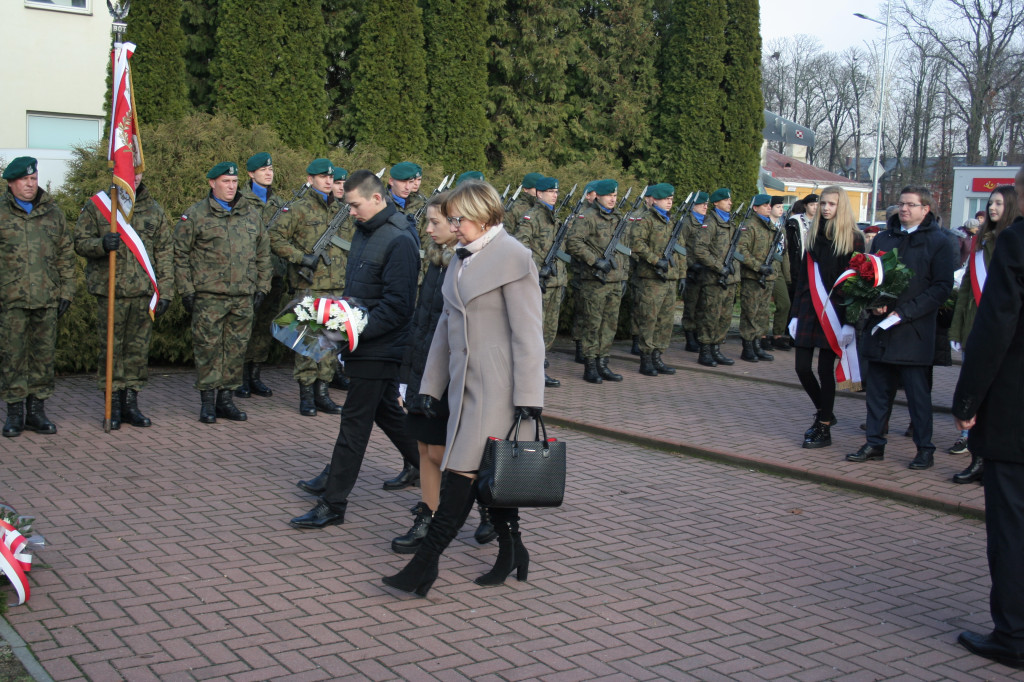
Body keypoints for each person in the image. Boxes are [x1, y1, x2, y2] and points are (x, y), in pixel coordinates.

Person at [383, 179, 545, 596]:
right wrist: (431, 387)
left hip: (498, 389)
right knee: (491, 478)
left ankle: (424, 567)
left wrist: (530, 398)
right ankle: (513, 552)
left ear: (481, 215)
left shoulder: (514, 257)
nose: (453, 226)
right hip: (462, 387)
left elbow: (529, 333)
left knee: (461, 476)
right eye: (452, 219)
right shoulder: (461, 258)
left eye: (458, 219)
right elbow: (444, 326)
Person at [290, 170, 421, 529]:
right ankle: (422, 466)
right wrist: (335, 317)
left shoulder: (399, 239)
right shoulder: (366, 231)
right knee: (386, 412)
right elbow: (360, 291)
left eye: (354, 204)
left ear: (377, 199)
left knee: (354, 424)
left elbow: (397, 307)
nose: (350, 212)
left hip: (380, 347)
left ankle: (333, 503)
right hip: (363, 342)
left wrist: (349, 331)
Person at [950, 164, 1024, 670]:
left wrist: (967, 400)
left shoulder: (1017, 243)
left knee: (1013, 526)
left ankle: (1013, 636)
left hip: (1016, 415)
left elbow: (995, 328)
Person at [846, 186, 957, 470]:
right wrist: (874, 302)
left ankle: (924, 449)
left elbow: (941, 287)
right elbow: (869, 275)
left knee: (918, 397)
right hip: (881, 329)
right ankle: (874, 442)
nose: (903, 209)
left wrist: (905, 312)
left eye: (910, 204)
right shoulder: (884, 237)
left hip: (914, 332)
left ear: (925, 209)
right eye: (901, 203)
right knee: (877, 393)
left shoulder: (941, 242)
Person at [391, 193, 473, 553]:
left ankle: (483, 512)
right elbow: (421, 324)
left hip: (454, 376)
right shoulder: (438, 262)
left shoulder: (467, 266)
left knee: (443, 453)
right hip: (426, 372)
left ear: (458, 224)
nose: (428, 229)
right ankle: (428, 514)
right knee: (425, 447)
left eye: (435, 222)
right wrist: (408, 376)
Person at [173, 162, 271, 423]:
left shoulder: (250, 215)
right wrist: (186, 289)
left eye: (234, 181)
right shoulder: (195, 215)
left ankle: (226, 400)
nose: (231, 186)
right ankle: (207, 402)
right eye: (225, 181)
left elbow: (263, 254)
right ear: (212, 183)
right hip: (209, 296)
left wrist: (262, 287)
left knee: (236, 349)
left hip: (242, 296)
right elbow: (179, 254)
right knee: (208, 349)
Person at [74, 172, 173, 428]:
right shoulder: (99, 206)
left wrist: (166, 291)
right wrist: (101, 244)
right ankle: (113, 404)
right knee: (111, 351)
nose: (135, 176)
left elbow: (164, 253)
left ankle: (131, 403)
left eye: (138, 171)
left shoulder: (153, 210)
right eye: (130, 170)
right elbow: (79, 242)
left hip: (142, 293)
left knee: (137, 353)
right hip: (111, 292)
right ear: (117, 171)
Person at [949, 185, 1020, 483]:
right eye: (991, 203)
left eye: (1000, 204)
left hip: (998, 328)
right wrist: (956, 327)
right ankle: (973, 446)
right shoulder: (980, 242)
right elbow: (966, 289)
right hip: (974, 324)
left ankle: (980, 452)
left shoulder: (1012, 240)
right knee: (974, 384)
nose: (992, 208)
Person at [1, 157, 75, 437]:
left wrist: (66, 290)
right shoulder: (2, 212)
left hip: (46, 298)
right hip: (11, 300)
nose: (31, 184)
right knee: (13, 357)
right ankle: (14, 413)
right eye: (24, 180)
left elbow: (65, 254)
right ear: (11, 183)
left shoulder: (52, 212)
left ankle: (36, 412)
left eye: (34, 179)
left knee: (43, 357)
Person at [269, 158, 346, 418]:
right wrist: (302, 258)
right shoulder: (298, 209)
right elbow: (274, 238)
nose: (327, 182)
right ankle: (306, 395)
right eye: (322, 177)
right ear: (310, 179)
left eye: (331, 178)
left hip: (337, 286)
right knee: (308, 343)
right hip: (310, 286)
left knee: (331, 343)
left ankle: (323, 393)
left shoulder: (343, 211)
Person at [789, 186, 864, 448]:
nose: (826, 208)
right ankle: (826, 414)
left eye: (831, 204)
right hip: (810, 309)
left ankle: (823, 428)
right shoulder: (813, 235)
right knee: (801, 367)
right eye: (823, 204)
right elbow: (801, 280)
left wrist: (850, 322)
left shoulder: (853, 238)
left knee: (824, 370)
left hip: (835, 312)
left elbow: (857, 285)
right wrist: (795, 314)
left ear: (841, 206)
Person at [566, 179, 629, 383]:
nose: (612, 199)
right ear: (598, 196)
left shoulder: (619, 217)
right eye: (609, 195)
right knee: (592, 324)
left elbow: (625, 250)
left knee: (609, 325)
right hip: (594, 280)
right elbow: (573, 242)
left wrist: (624, 276)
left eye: (615, 195)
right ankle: (590, 365)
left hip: (615, 280)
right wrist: (595, 261)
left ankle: (603, 363)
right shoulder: (588, 216)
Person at [236, 152, 285, 399]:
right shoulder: (240, 200)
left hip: (274, 274)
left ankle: (255, 375)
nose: (269, 173)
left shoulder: (279, 203)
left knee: (264, 327)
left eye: (271, 169)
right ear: (250, 174)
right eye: (263, 170)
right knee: (245, 326)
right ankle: (240, 376)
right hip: (249, 275)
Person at [514, 176, 565, 387]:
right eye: (550, 191)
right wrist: (537, 269)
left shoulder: (556, 218)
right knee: (536, 329)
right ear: (538, 193)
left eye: (556, 192)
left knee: (550, 330)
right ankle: (532, 371)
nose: (554, 195)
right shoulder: (531, 217)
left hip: (556, 281)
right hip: (539, 280)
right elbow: (520, 246)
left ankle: (540, 366)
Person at [628, 183, 683, 375]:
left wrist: (680, 274)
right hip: (651, 278)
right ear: (655, 200)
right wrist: (655, 260)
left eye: (670, 199)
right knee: (649, 319)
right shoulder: (645, 219)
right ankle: (646, 358)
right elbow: (636, 243)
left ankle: (657, 356)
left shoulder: (671, 221)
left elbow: (679, 250)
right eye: (665, 199)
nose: (669, 202)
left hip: (669, 278)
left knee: (665, 320)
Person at [693, 188, 739, 367]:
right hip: (713, 279)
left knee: (725, 317)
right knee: (710, 315)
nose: (730, 203)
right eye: (726, 200)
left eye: (730, 200)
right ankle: (705, 351)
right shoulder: (710, 223)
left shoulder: (730, 223)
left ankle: (716, 349)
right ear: (716, 203)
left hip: (729, 279)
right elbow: (700, 249)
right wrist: (719, 267)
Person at [736, 194, 777, 362]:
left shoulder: (770, 226)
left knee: (762, 313)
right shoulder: (749, 226)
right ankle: (747, 347)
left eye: (769, 204)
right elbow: (740, 251)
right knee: (750, 313)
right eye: (765, 205)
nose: (769, 207)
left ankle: (757, 344)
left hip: (767, 277)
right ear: (755, 208)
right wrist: (758, 266)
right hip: (753, 277)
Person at [680, 192, 710, 352]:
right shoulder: (686, 223)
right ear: (693, 205)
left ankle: (699, 335)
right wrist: (690, 265)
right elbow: (681, 247)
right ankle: (689, 338)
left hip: (706, 270)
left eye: (706, 203)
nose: (705, 206)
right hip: (691, 271)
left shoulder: (708, 222)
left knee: (702, 305)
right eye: (701, 204)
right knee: (690, 306)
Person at [767, 196, 792, 351]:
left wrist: (787, 274)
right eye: (778, 207)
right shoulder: (766, 225)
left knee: (785, 303)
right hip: (766, 268)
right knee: (762, 305)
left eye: (782, 207)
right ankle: (761, 335)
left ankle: (778, 334)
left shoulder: (781, 227)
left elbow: (785, 252)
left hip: (779, 269)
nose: (781, 210)